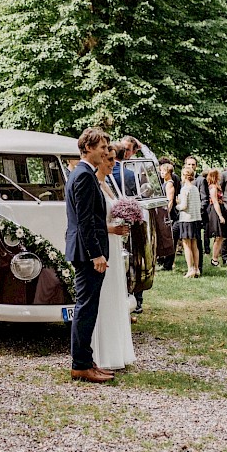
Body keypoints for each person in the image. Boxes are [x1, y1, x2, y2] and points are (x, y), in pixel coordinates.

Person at [65, 128, 114, 383]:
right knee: (85, 309)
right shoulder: (83, 175)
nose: (105, 151)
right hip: (86, 254)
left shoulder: (84, 174)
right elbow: (85, 220)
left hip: (85, 252)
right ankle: (80, 364)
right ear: (87, 148)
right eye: (102, 147)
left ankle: (86, 359)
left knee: (89, 308)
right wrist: (96, 254)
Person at [92, 145, 135, 371]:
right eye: (108, 160)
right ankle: (104, 353)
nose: (112, 164)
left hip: (116, 244)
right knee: (105, 295)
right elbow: (92, 220)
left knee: (118, 292)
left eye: (113, 160)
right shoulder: (94, 184)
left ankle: (119, 350)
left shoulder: (109, 184)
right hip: (105, 242)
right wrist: (111, 229)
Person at [175, 166, 202, 278]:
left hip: (186, 219)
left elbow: (184, 206)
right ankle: (197, 268)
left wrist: (177, 204)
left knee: (186, 244)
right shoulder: (195, 188)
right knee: (194, 244)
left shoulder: (185, 189)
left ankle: (190, 269)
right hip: (196, 218)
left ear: (184, 176)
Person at [185, 155, 209, 272]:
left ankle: (198, 267)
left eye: (193, 164)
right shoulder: (183, 180)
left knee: (196, 241)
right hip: (185, 216)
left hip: (196, 217)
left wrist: (198, 212)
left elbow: (204, 199)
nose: (191, 166)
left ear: (196, 166)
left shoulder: (200, 180)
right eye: (189, 164)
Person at [157, 162, 177, 271]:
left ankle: (168, 264)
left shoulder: (169, 184)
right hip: (165, 215)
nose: (161, 173)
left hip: (170, 216)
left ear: (168, 172)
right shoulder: (164, 182)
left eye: (163, 171)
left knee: (170, 239)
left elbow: (170, 201)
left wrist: (166, 215)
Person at [205, 168, 227, 266]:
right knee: (218, 235)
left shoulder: (217, 186)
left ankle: (215, 258)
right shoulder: (213, 187)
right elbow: (215, 202)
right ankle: (214, 259)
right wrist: (220, 216)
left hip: (220, 208)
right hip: (215, 210)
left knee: (221, 236)